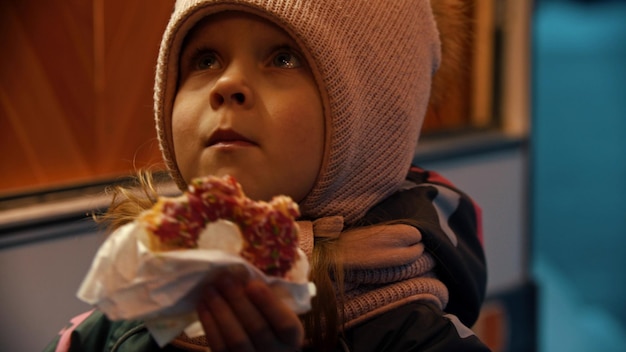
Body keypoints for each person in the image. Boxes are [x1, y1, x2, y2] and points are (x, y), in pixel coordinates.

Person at [44, 0, 489, 351]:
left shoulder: (414, 336)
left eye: (283, 58)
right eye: (205, 60)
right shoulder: (125, 317)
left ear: (375, 119)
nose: (226, 84)